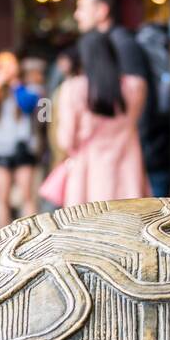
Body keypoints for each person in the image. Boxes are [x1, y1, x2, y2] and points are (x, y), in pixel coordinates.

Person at [73, 0, 170, 195]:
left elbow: (141, 101)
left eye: (81, 7)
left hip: (140, 155)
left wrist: (140, 152)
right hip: (126, 155)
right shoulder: (109, 43)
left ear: (102, 11)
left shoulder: (122, 44)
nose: (76, 14)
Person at [40, 35, 150, 209]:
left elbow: (65, 140)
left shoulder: (72, 88)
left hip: (88, 176)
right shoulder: (136, 86)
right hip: (128, 172)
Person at [0, 51, 41, 230]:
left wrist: (15, 84)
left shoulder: (29, 87)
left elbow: (27, 105)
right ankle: (3, 239)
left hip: (23, 148)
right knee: (1, 197)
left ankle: (32, 237)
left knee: (27, 196)